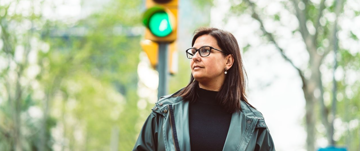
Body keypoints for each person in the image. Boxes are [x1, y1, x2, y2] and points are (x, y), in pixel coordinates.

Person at [133, 27, 275, 151]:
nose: (195, 57)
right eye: (193, 52)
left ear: (229, 61)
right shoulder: (165, 112)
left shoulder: (253, 123)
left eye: (205, 51)